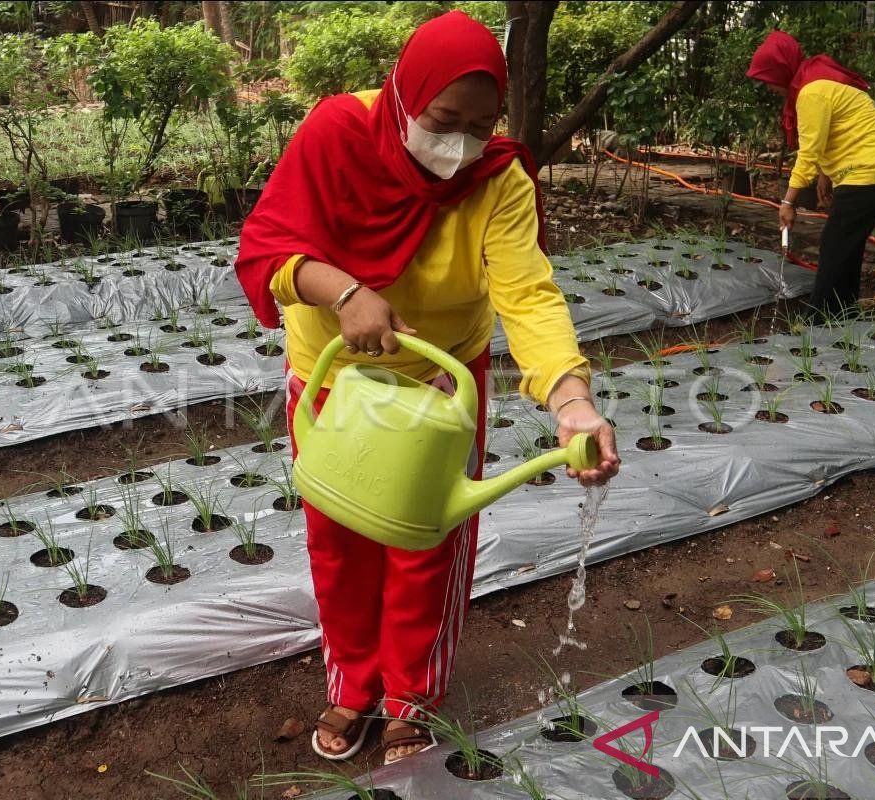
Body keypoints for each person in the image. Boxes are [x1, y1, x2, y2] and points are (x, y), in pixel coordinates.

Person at [235, 11, 620, 766]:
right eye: (444, 120)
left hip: (441, 381)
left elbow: (530, 295)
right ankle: (352, 684)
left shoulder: (497, 178)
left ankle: (412, 695)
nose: (460, 144)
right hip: (334, 375)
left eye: (482, 125)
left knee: (428, 541)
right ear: (405, 95)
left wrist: (571, 400)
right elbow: (271, 249)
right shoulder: (337, 134)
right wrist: (346, 292)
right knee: (339, 538)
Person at [747, 30, 875, 317]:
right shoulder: (816, 79)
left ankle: (820, 318)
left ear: (781, 69)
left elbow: (808, 152)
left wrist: (788, 202)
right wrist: (825, 174)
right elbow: (831, 135)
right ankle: (843, 312)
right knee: (846, 243)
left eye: (768, 79)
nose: (769, 88)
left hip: (871, 169)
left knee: (834, 244)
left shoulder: (811, 92)